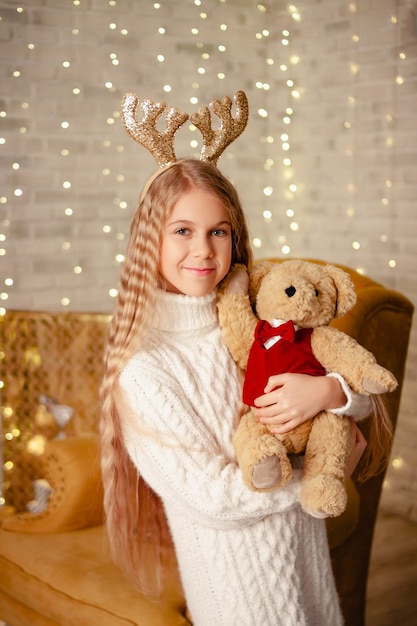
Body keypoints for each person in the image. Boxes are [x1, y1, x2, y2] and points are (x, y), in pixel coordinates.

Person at [100, 158, 371, 626]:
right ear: (150, 240)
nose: (203, 250)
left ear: (235, 237)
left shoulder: (260, 317)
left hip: (307, 559)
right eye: (182, 230)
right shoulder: (143, 369)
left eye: (218, 232)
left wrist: (328, 392)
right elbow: (213, 498)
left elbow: (363, 398)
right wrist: (318, 475)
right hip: (240, 592)